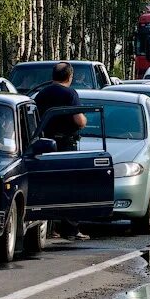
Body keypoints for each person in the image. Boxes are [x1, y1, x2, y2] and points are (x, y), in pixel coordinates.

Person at [35, 62, 90, 241]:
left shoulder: (41, 94)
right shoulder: (70, 94)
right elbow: (79, 120)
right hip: (66, 145)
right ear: (70, 76)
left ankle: (49, 227)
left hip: (44, 144)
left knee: (47, 185)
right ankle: (71, 229)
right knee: (69, 185)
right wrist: (84, 120)